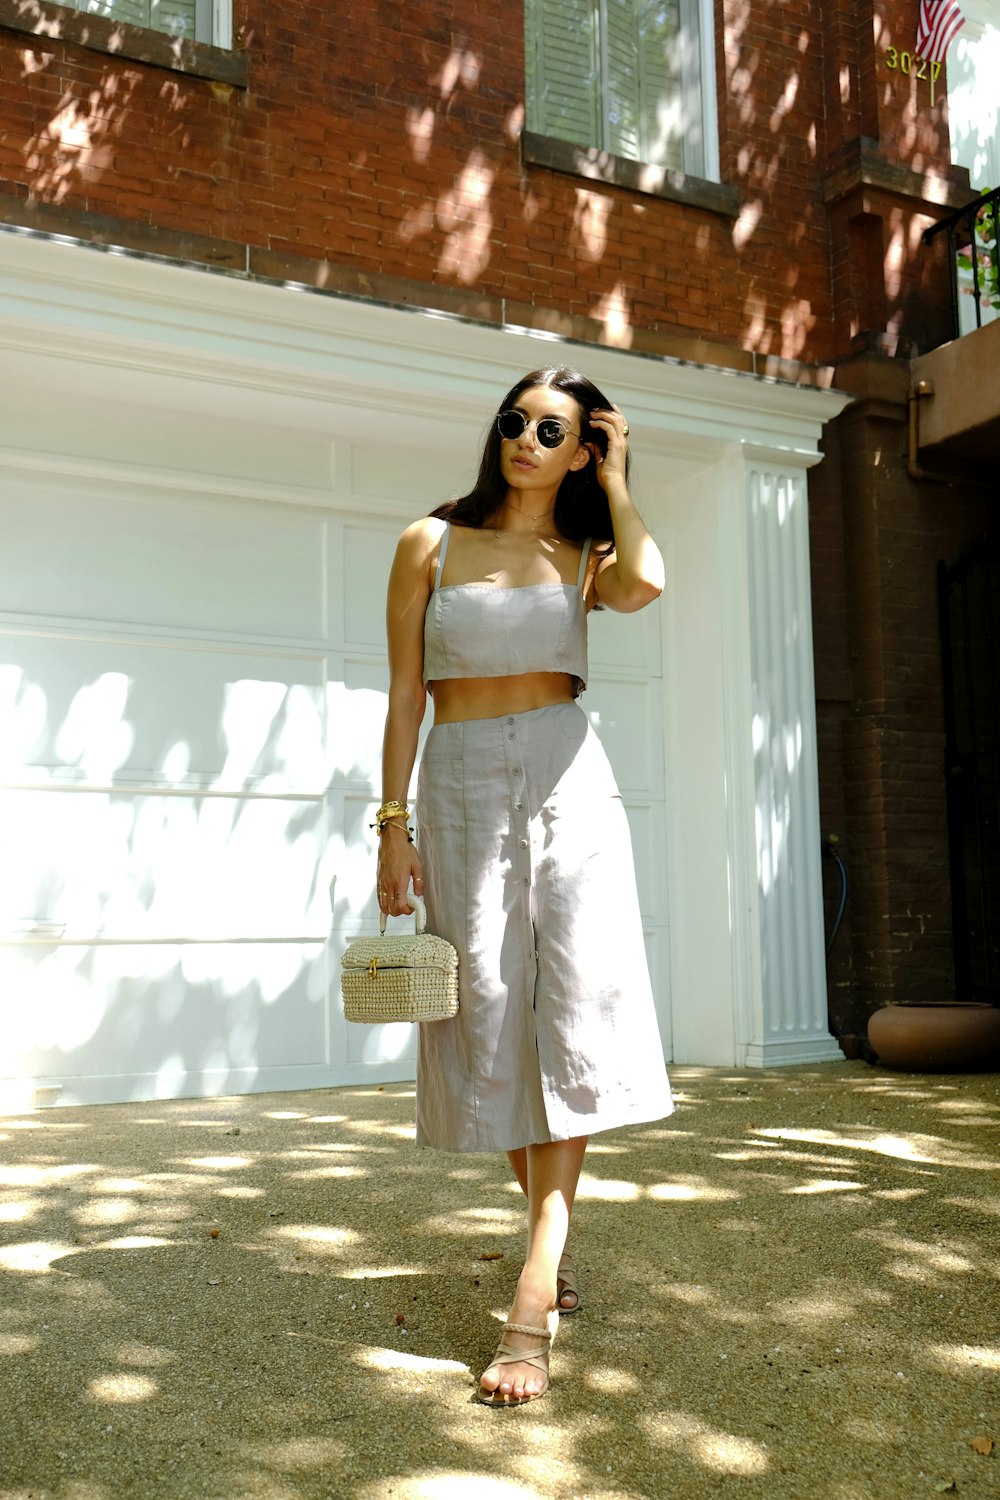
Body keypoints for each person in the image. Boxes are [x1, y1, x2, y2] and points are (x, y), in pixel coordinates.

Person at [374, 365, 673, 1406]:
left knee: (575, 1011)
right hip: (456, 781)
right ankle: (551, 1239)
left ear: (580, 446)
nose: (524, 441)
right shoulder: (430, 541)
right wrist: (390, 828)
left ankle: (534, 1290)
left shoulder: (587, 552)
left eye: (551, 430)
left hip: (566, 779)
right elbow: (406, 694)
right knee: (492, 1018)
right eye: (512, 421)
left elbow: (648, 583)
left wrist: (621, 480)